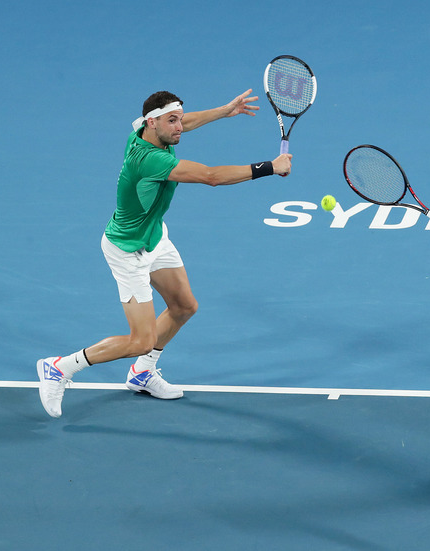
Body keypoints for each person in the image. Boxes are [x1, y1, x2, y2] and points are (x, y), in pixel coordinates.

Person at [36, 89, 292, 418]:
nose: (179, 127)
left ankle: (142, 373)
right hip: (127, 251)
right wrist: (270, 167)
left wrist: (224, 110)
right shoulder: (148, 159)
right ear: (152, 122)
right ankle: (59, 367)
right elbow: (211, 177)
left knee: (184, 306)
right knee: (140, 339)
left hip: (155, 238)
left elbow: (184, 122)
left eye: (179, 119)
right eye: (172, 121)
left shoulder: (147, 129)